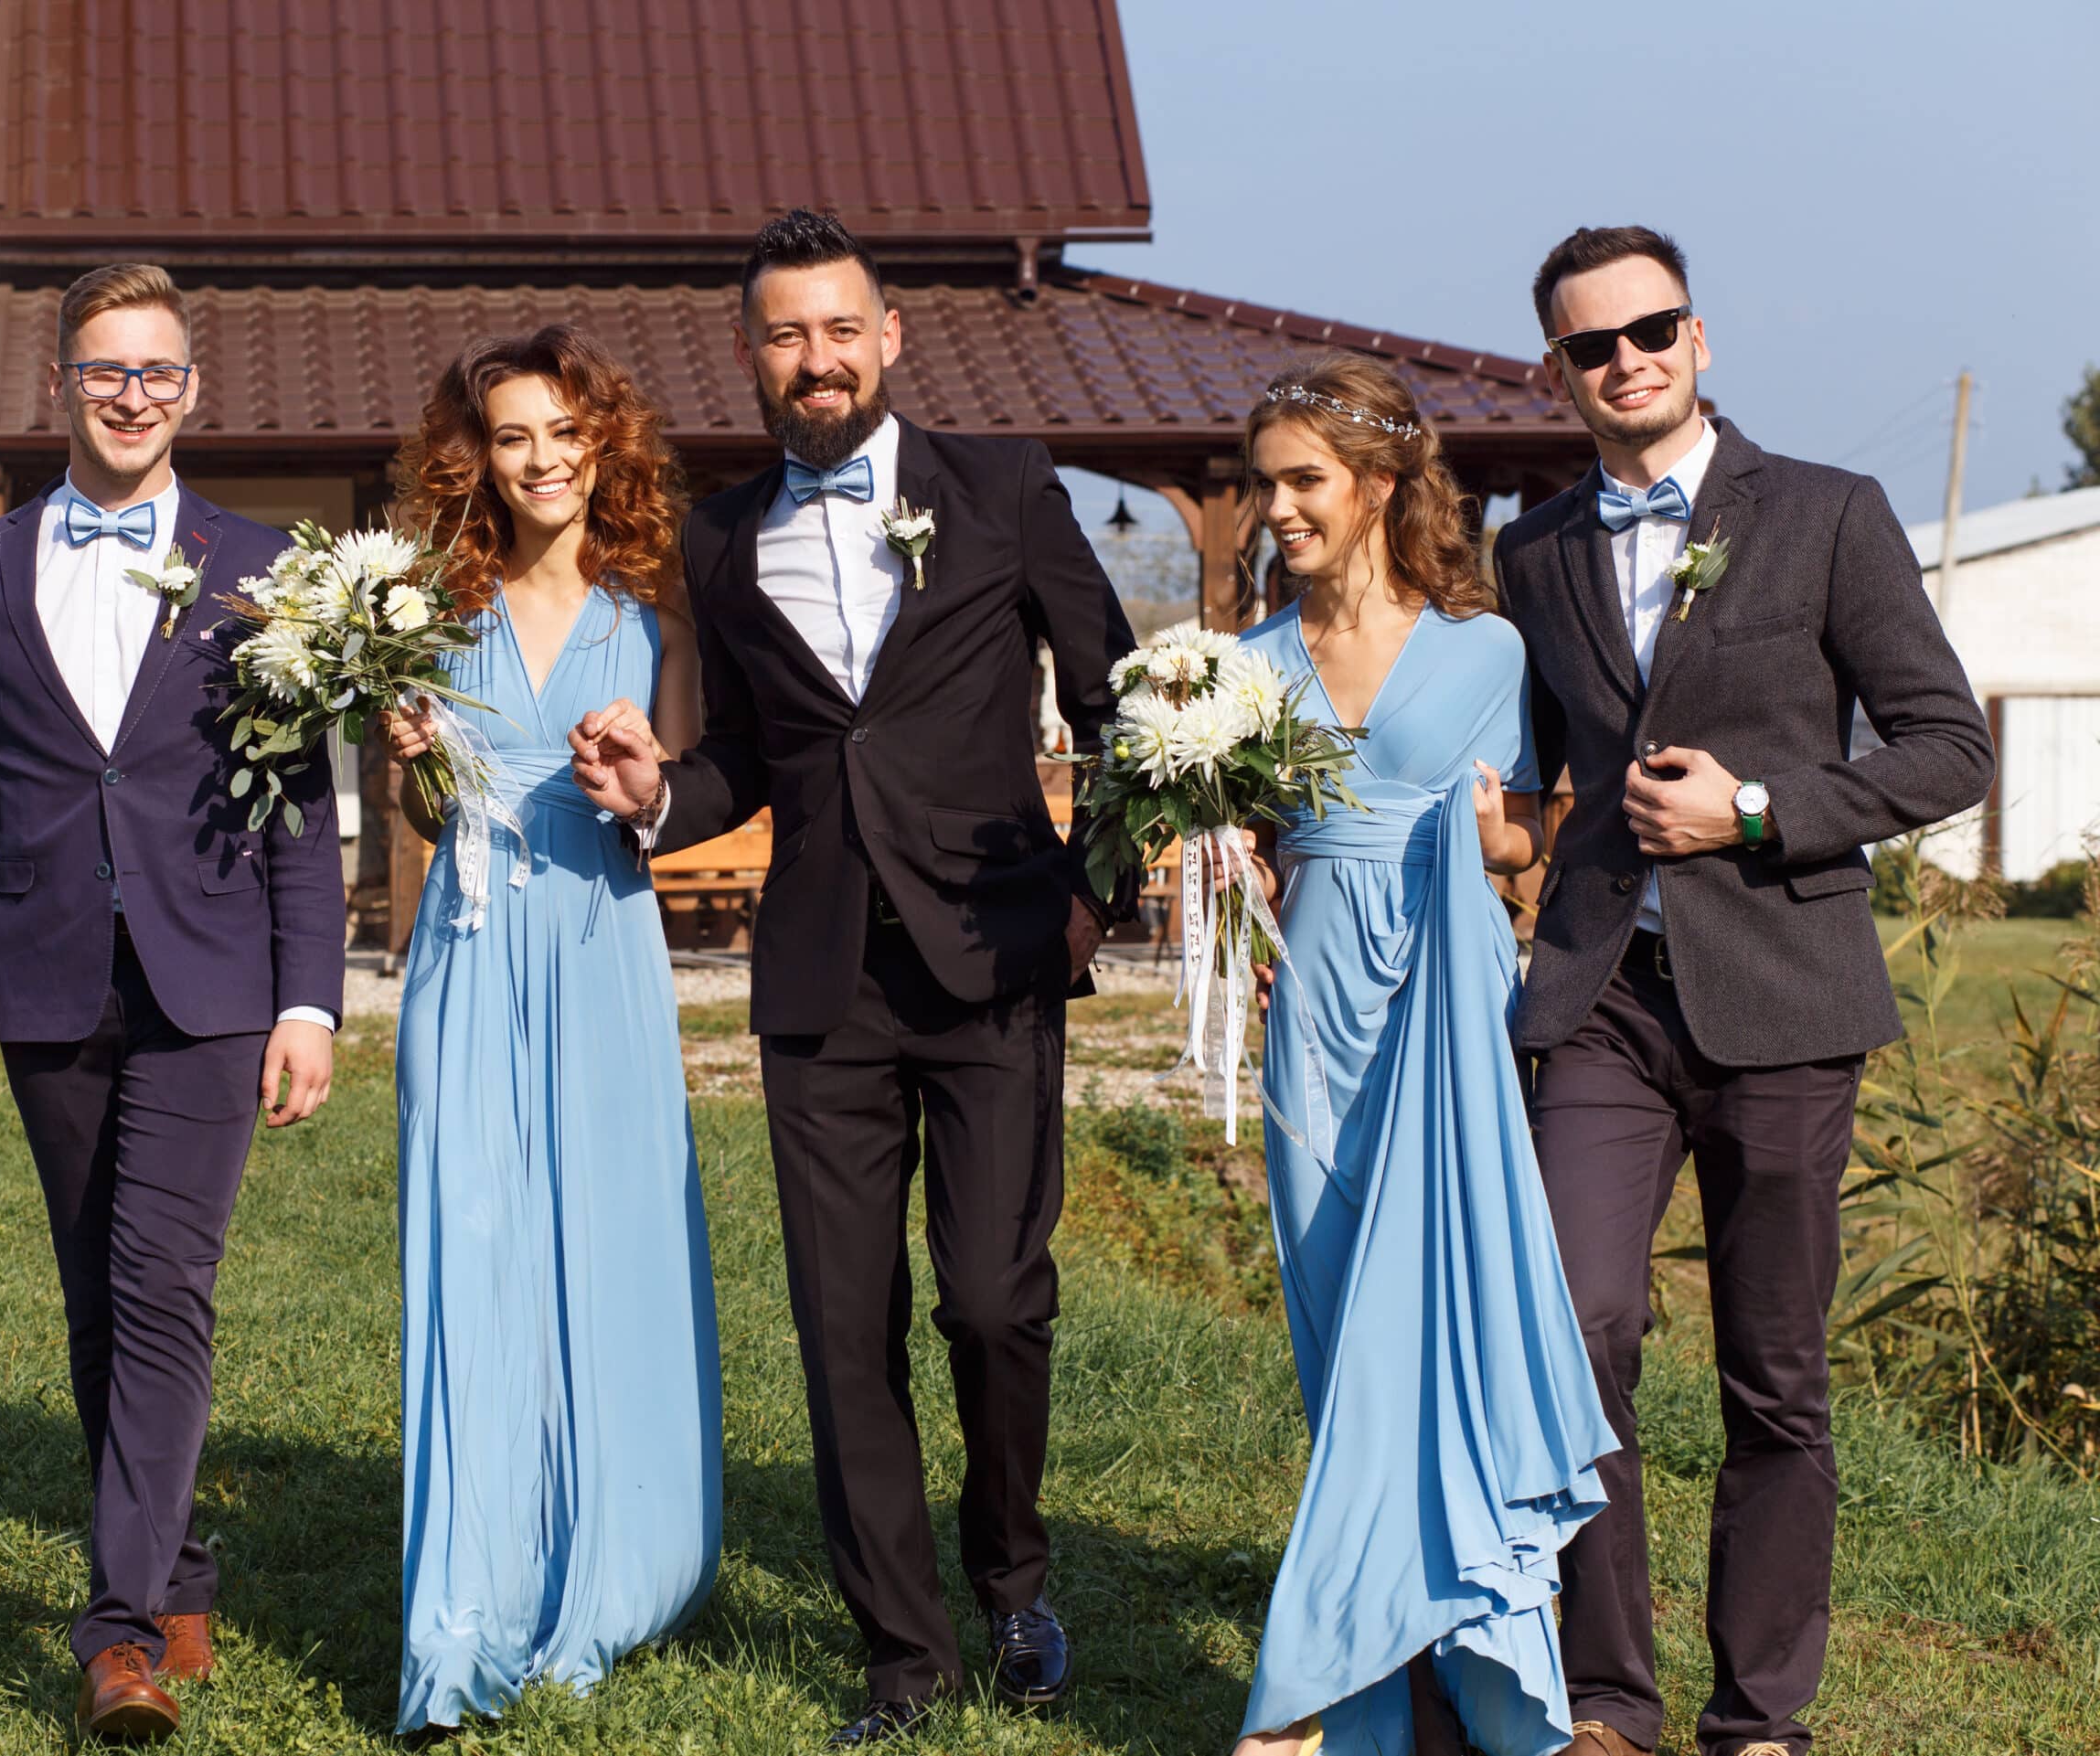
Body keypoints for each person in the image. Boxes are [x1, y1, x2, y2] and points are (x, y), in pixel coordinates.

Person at [570, 209, 1135, 1747]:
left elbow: (1121, 699)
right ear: (751, 354)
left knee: (995, 1297)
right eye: (783, 336)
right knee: (844, 1319)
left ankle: (1013, 1577)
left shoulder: (1007, 491)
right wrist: (656, 796)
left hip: (996, 954)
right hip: (821, 979)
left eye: (839, 330)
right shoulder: (716, 534)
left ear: (890, 338)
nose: (813, 361)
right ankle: (907, 1652)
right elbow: (748, 757)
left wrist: (1104, 889)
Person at [1496, 227, 1994, 1756]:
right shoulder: (1534, 549)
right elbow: (1529, 778)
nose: (1626, 358)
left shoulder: (1830, 516)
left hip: (1783, 996)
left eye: (1651, 328)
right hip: (1598, 999)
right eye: (1592, 344)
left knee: (1773, 1366)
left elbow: (1947, 746)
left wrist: (1760, 807)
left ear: (1699, 339)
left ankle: (1758, 1710)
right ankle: (1606, 1693)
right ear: (1560, 373)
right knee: (1575, 1329)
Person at [0, 263, 349, 1741]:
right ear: (64, 384)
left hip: (212, 980)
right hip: (42, 981)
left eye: (158, 371)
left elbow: (298, 805)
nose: (133, 394)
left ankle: (117, 1630)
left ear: (193, 388)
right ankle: (186, 1567)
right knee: (99, 1293)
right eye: (108, 369)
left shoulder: (264, 564)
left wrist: (311, 1001)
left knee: (163, 1284)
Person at [1228, 356, 1616, 1756]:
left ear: (1380, 487)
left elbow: (1517, 838)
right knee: (1343, 1342)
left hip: (1439, 1010)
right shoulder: (1247, 669)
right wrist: (1212, 845)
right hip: (1313, 1019)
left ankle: (1334, 1682)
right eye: (1265, 482)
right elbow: (1251, 842)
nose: (1276, 506)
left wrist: (1516, 834)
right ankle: (1388, 1684)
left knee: (1430, 1322)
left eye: (1302, 480)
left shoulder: (1486, 652)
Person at [375, 325, 721, 1734]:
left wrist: (639, 785)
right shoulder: (428, 615)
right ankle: (472, 1580)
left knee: (605, 1234)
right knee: (477, 1245)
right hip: (466, 951)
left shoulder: (657, 613)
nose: (541, 461)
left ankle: (618, 1554)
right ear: (480, 458)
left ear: (604, 446)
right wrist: (407, 773)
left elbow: (678, 799)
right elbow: (418, 820)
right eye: (513, 437)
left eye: (565, 434)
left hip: (596, 946)